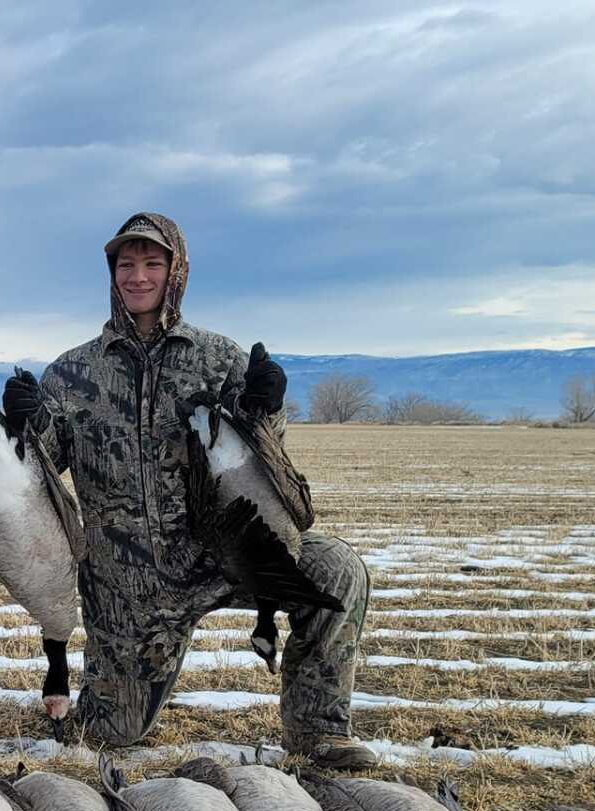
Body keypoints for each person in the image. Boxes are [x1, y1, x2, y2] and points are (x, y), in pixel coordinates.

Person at [19, 212, 377, 769]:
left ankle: (319, 734)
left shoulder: (218, 360)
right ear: (111, 273)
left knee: (336, 569)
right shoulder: (71, 374)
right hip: (127, 584)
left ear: (176, 270)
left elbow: (264, 463)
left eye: (152, 264)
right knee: (111, 737)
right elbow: (39, 467)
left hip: (222, 555)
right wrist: (23, 427)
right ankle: (101, 695)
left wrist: (265, 410)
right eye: (126, 265)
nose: (138, 277)